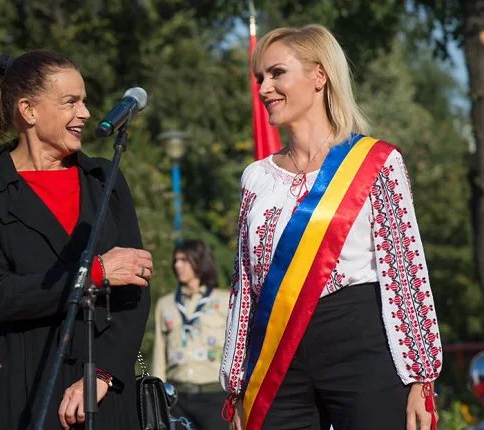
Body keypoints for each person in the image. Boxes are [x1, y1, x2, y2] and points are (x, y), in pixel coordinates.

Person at [219, 25, 443, 430]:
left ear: (319, 75)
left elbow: (405, 272)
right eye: (260, 79)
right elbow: (244, 288)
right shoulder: (256, 177)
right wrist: (236, 383)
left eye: (276, 73)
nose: (265, 88)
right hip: (276, 355)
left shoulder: (376, 161)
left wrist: (420, 378)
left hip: (359, 341)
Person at [0, 50, 153, 430]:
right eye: (70, 102)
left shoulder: (104, 178)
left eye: (85, 101)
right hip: (25, 382)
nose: (86, 113)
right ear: (28, 110)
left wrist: (102, 375)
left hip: (103, 386)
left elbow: (136, 291)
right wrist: (94, 272)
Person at [152, 239, 230, 429]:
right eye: (176, 260)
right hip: (176, 397)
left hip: (214, 396)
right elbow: (159, 353)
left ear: (200, 262)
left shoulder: (225, 300)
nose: (177, 265)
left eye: (184, 260)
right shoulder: (165, 304)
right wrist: (157, 394)